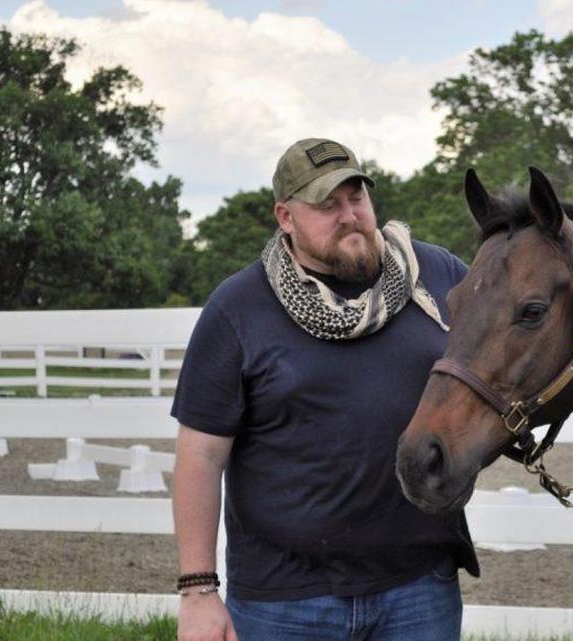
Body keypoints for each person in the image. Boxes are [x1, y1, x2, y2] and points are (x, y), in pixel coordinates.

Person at [171, 138, 479, 641]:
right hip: (284, 599)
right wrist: (198, 591)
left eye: (357, 198)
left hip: (419, 587)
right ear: (285, 217)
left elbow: (508, 357)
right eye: (326, 205)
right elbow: (200, 456)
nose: (349, 216)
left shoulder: (438, 276)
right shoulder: (238, 309)